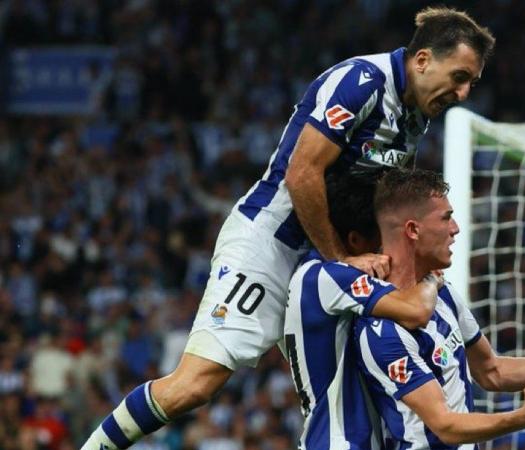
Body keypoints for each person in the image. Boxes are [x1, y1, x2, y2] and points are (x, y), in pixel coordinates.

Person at [82, 6, 495, 449]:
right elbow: (303, 173)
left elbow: (383, 204)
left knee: (350, 400)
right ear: (423, 60)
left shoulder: (416, 116)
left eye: (471, 82)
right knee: (196, 385)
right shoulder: (361, 83)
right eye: (459, 76)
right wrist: (341, 261)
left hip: (327, 257)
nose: (464, 92)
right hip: (273, 244)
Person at [354, 168, 525, 449]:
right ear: (413, 230)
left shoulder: (441, 292)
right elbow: (444, 425)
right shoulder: (381, 329)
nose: (455, 228)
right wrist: (524, 417)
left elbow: (491, 371)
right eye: (446, 218)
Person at [284, 168, 444, 450]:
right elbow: (417, 309)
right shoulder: (327, 276)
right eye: (381, 237)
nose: (387, 248)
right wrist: (432, 277)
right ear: (356, 241)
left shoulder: (312, 275)